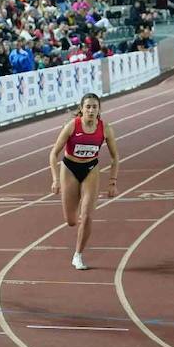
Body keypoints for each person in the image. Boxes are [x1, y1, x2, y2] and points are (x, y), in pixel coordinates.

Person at [49, 92, 119, 270]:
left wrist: (112, 181)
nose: (91, 110)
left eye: (94, 107)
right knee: (71, 221)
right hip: (70, 169)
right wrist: (55, 179)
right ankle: (78, 221)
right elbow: (53, 154)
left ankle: (78, 255)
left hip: (91, 169)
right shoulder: (72, 126)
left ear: (99, 110)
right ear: (81, 109)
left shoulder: (105, 128)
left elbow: (115, 157)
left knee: (87, 216)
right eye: (87, 107)